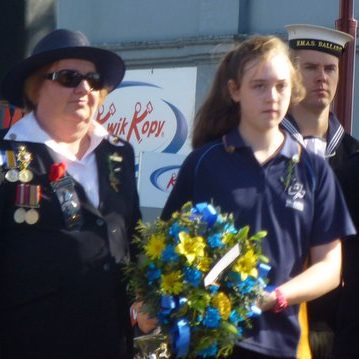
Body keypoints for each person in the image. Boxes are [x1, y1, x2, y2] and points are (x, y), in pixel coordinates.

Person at [161, 35, 356, 358]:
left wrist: (276, 297)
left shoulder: (313, 170)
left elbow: (330, 268)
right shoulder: (204, 163)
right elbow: (169, 250)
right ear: (235, 90)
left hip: (283, 345)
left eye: (281, 86)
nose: (272, 97)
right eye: (259, 86)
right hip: (209, 344)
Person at [0, 29, 141, 359]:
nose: (84, 89)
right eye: (68, 77)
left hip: (111, 338)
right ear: (36, 87)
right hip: (32, 341)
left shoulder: (119, 153)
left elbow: (132, 235)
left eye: (92, 80)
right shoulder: (7, 157)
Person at [283, 24, 359, 358]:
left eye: (330, 68)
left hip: (343, 329)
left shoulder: (354, 158)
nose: (322, 77)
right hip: (273, 323)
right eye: (310, 67)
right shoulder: (257, 153)